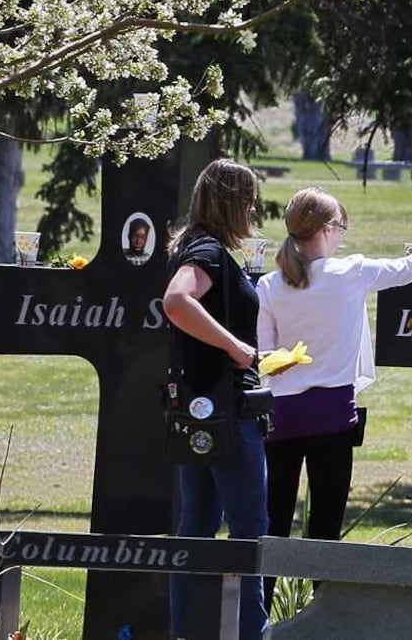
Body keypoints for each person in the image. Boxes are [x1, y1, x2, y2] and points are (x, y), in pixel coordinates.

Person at [256, 186, 412, 609]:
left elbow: (263, 359)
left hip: (281, 418)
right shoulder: (350, 271)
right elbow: (406, 267)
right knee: (326, 529)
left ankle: (256, 615)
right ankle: (322, 616)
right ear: (323, 230)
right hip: (332, 417)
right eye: (339, 227)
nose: (341, 235)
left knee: (273, 524)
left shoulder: (268, 284)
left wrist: (291, 364)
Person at [162, 159, 268, 640]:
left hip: (198, 412)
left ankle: (184, 632)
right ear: (232, 203)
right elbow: (177, 301)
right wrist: (236, 347)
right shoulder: (205, 250)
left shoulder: (198, 245)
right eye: (249, 202)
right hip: (227, 413)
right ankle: (250, 634)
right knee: (250, 533)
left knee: (195, 531)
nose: (253, 211)